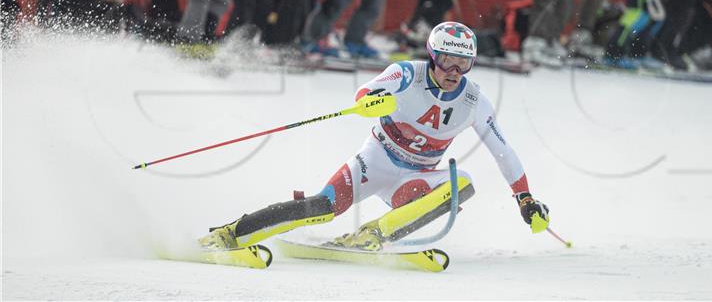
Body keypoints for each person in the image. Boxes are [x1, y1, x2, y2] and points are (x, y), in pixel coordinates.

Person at [199, 22, 550, 253]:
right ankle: (232, 233)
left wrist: (525, 199)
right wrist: (370, 101)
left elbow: (504, 152)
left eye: (464, 63)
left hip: (415, 181)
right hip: (374, 162)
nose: (454, 73)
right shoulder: (406, 73)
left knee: (464, 183)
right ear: (432, 56)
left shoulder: (474, 100)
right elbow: (367, 92)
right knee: (323, 208)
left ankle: (374, 234)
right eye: (447, 61)